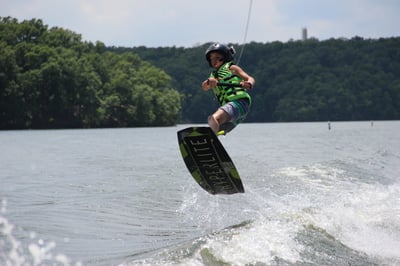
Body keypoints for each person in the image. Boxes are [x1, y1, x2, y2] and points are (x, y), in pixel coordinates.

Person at [201, 43, 255, 135]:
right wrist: (208, 82)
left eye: (217, 57)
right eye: (212, 58)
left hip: (238, 103)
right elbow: (204, 87)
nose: (214, 60)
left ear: (225, 57)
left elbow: (250, 78)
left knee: (213, 119)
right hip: (234, 113)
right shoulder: (212, 77)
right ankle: (212, 143)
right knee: (217, 128)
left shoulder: (232, 68)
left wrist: (249, 83)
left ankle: (211, 138)